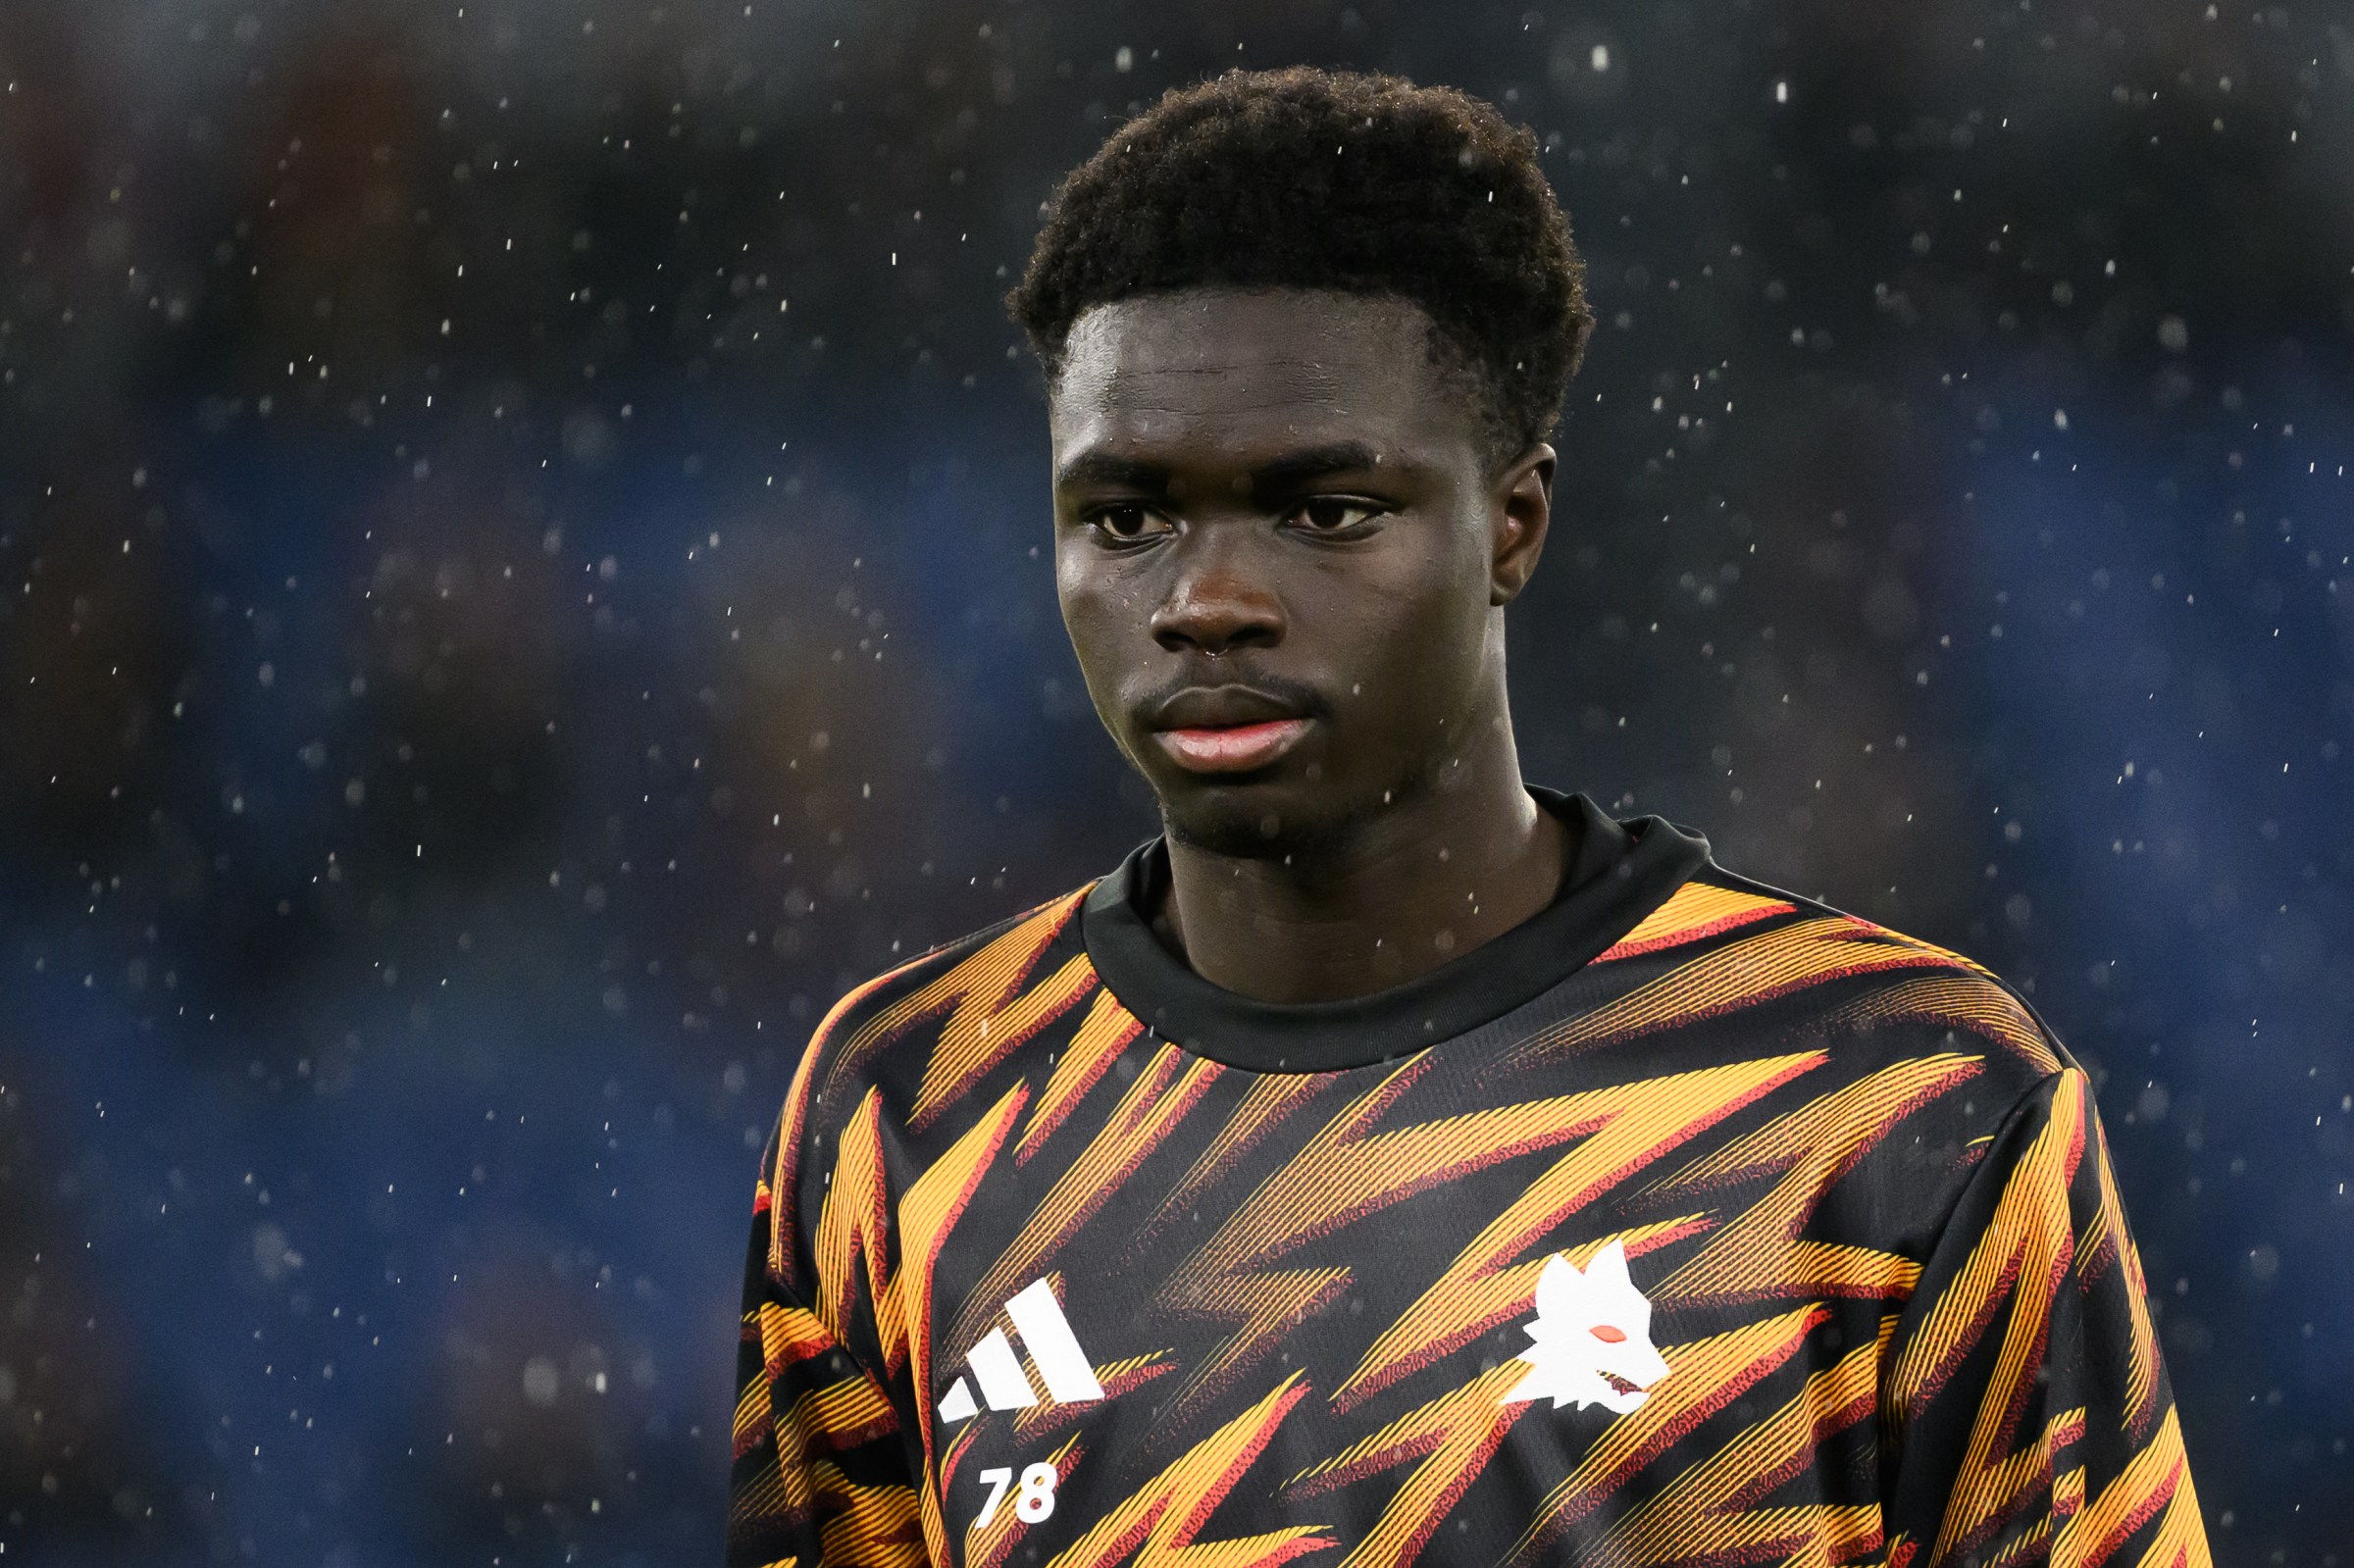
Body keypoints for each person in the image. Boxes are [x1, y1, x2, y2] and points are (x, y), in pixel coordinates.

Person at [726, 67, 2208, 1568]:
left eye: (1324, 511)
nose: (1206, 601)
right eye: (1126, 517)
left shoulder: (1898, 1104)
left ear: (1514, 525)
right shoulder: (907, 1114)